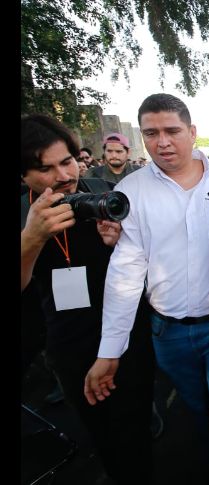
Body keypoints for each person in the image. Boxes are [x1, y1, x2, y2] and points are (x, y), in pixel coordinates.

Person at [84, 93, 209, 485]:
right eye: (151, 133)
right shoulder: (132, 190)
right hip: (168, 334)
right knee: (197, 414)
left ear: (192, 132)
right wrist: (110, 350)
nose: (163, 142)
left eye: (172, 131)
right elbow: (126, 272)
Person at [21, 115, 155, 485]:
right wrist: (32, 238)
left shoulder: (102, 193)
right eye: (44, 169)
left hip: (127, 332)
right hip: (70, 343)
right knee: (102, 432)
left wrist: (117, 242)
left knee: (137, 426)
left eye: (66, 161)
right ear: (24, 177)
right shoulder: (25, 214)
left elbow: (140, 260)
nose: (62, 176)